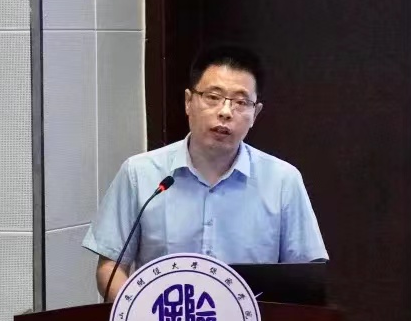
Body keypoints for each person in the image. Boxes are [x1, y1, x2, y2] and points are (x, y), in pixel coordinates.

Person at [82, 44, 328, 301]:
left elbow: (306, 277)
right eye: (213, 97)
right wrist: (142, 316)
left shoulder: (283, 181)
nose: (225, 112)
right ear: (189, 102)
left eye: (241, 102)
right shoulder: (140, 174)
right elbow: (110, 268)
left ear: (255, 113)